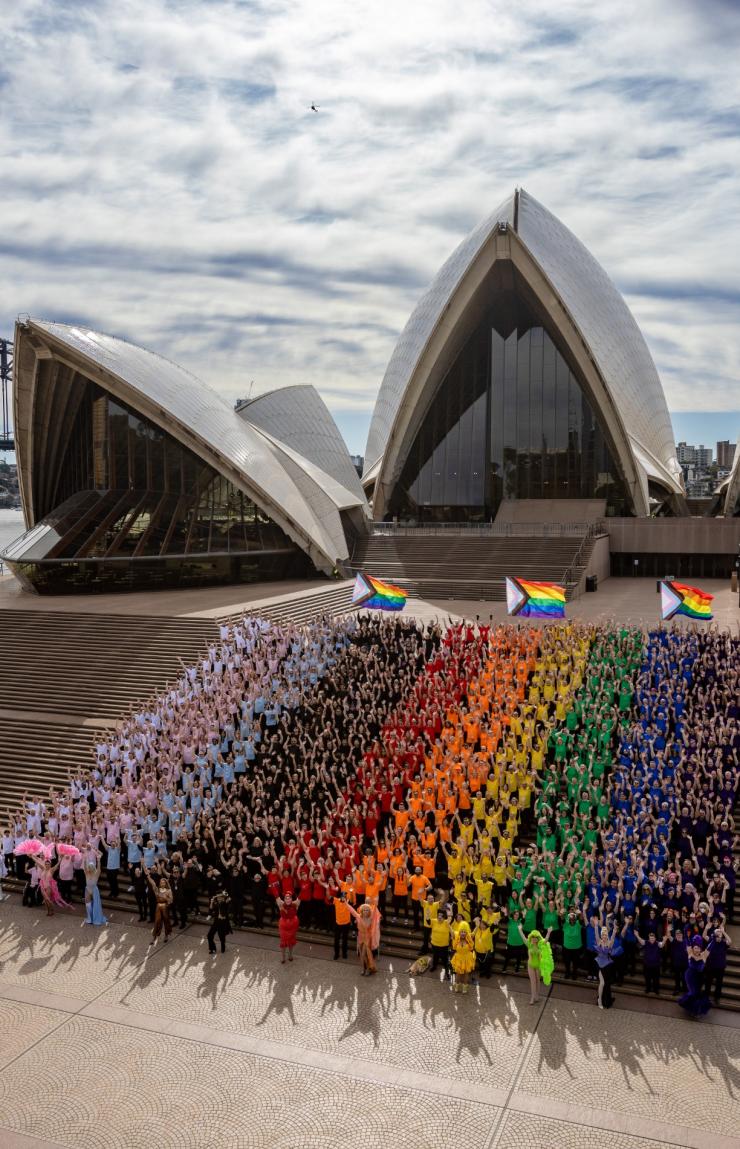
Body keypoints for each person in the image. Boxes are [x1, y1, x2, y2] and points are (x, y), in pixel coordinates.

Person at [678, 934, 713, 1018]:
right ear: (693, 948)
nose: (697, 950)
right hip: (690, 976)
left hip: (700, 978)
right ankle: (692, 1009)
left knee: (697, 993)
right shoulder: (690, 954)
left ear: (701, 948)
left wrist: (714, 939)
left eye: (698, 948)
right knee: (692, 992)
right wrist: (686, 934)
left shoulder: (704, 956)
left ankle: (694, 1010)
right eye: (695, 948)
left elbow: (710, 947)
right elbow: (687, 942)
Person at [144, 864, 173, 948]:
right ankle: (154, 937)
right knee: (157, 922)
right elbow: (152, 883)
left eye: (164, 882)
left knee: (166, 921)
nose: (162, 883)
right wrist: (148, 876)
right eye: (161, 882)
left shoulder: (168, 890)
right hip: (158, 907)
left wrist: (166, 899)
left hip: (165, 907)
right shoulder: (157, 889)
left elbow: (171, 900)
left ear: (165, 883)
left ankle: (166, 935)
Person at [349, 900, 380, 976]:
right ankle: (364, 968)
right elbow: (351, 910)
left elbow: (375, 911)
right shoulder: (358, 916)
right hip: (360, 936)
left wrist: (375, 905)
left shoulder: (370, 918)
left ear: (369, 911)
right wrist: (346, 903)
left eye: (367, 910)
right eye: (364, 910)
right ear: (361, 911)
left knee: (364, 954)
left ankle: (368, 969)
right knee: (362, 956)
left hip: (367, 937)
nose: (365, 911)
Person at [594, 924, 618, 1009]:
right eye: (603, 935)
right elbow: (596, 934)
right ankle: (599, 1000)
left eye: (605, 935)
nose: (604, 936)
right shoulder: (599, 942)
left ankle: (607, 1000)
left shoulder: (609, 943)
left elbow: (613, 938)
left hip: (607, 966)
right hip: (600, 965)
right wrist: (596, 925)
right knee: (602, 983)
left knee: (607, 984)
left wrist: (614, 930)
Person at [83, 850, 108, 926]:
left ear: (93, 868)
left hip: (94, 890)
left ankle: (95, 918)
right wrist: (85, 859)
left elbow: (99, 868)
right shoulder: (87, 873)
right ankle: (90, 918)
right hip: (87, 889)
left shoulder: (96, 874)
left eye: (91, 867)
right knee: (88, 904)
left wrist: (99, 860)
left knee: (96, 905)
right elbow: (84, 867)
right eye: (89, 867)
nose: (89, 868)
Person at [450, 921, 476, 993]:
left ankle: (465, 987)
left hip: (467, 958)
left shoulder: (469, 938)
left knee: (466, 974)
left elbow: (474, 932)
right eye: (462, 931)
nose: (463, 933)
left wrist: (477, 925)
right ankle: (457, 985)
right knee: (458, 974)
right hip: (458, 958)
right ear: (459, 932)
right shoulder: (456, 937)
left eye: (465, 932)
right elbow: (451, 931)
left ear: (467, 932)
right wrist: (448, 924)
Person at [207, 889, 232, 955]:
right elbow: (211, 909)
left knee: (222, 937)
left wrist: (224, 897)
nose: (219, 898)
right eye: (218, 897)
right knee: (209, 935)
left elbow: (228, 899)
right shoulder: (215, 902)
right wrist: (212, 902)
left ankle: (223, 947)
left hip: (223, 922)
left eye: (220, 897)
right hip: (216, 921)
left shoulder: (225, 902)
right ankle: (212, 948)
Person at [276, 892, 299, 963]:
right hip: (284, 926)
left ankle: (290, 955)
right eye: (286, 898)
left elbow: (300, 897)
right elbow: (276, 896)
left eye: (289, 898)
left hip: (292, 925)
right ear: (284, 900)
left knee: (291, 941)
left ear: (291, 899)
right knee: (283, 942)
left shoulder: (295, 905)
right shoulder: (281, 905)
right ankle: (283, 957)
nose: (288, 900)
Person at [332, 890, 352, 960]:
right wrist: (328, 888)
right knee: (336, 940)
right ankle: (336, 954)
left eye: (345, 897)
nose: (344, 898)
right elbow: (329, 897)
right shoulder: (336, 900)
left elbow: (352, 899)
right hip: (338, 924)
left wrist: (351, 892)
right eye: (342, 896)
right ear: (340, 897)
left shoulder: (348, 902)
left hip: (346, 924)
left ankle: (344, 953)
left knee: (345, 940)